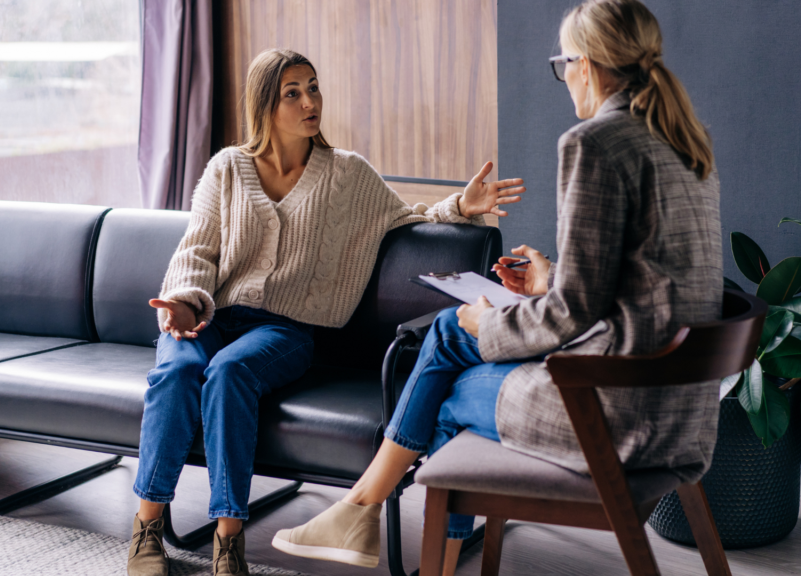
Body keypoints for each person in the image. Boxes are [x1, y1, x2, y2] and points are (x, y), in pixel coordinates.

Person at [271, 1, 723, 574]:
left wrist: (492, 322)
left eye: (563, 66)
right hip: (679, 409)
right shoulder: (686, 142)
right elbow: (650, 286)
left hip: (612, 412)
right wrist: (549, 280)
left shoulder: (596, 143)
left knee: (444, 390)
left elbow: (572, 316)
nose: (566, 80)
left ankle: (369, 515)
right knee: (445, 340)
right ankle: (363, 514)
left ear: (586, 65)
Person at [126, 48, 525, 576]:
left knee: (228, 373)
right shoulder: (228, 167)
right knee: (176, 371)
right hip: (211, 315)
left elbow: (405, 217)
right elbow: (197, 250)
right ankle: (147, 528)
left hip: (283, 330)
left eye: (313, 87)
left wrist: (458, 207)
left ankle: (228, 539)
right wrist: (183, 301)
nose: (310, 101)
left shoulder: (346, 174)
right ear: (265, 104)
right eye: (293, 92)